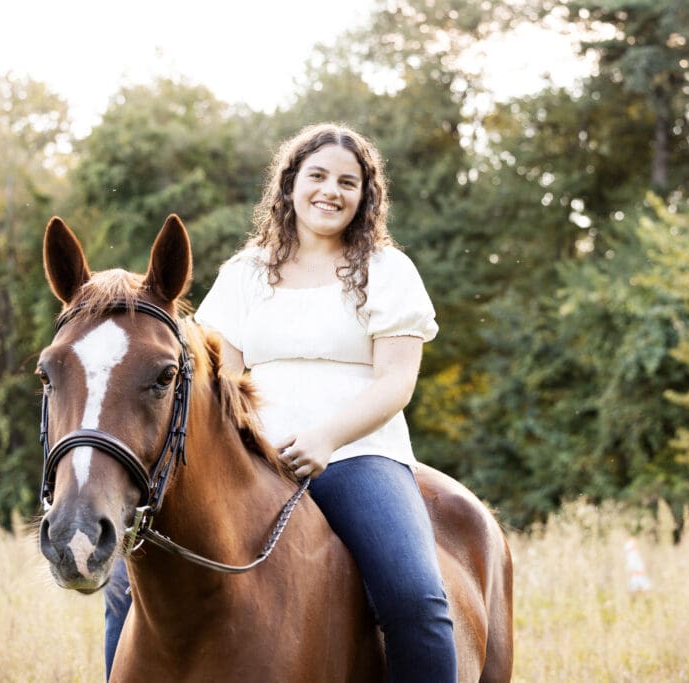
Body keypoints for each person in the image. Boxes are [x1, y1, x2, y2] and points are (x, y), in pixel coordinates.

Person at [104, 122, 456, 682]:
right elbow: (222, 376)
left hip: (358, 456)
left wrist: (326, 438)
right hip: (251, 458)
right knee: (127, 586)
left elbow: (396, 382)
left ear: (365, 196)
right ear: (290, 186)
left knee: (415, 598)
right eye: (316, 176)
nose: (331, 191)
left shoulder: (388, 271)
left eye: (348, 181)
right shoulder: (245, 274)